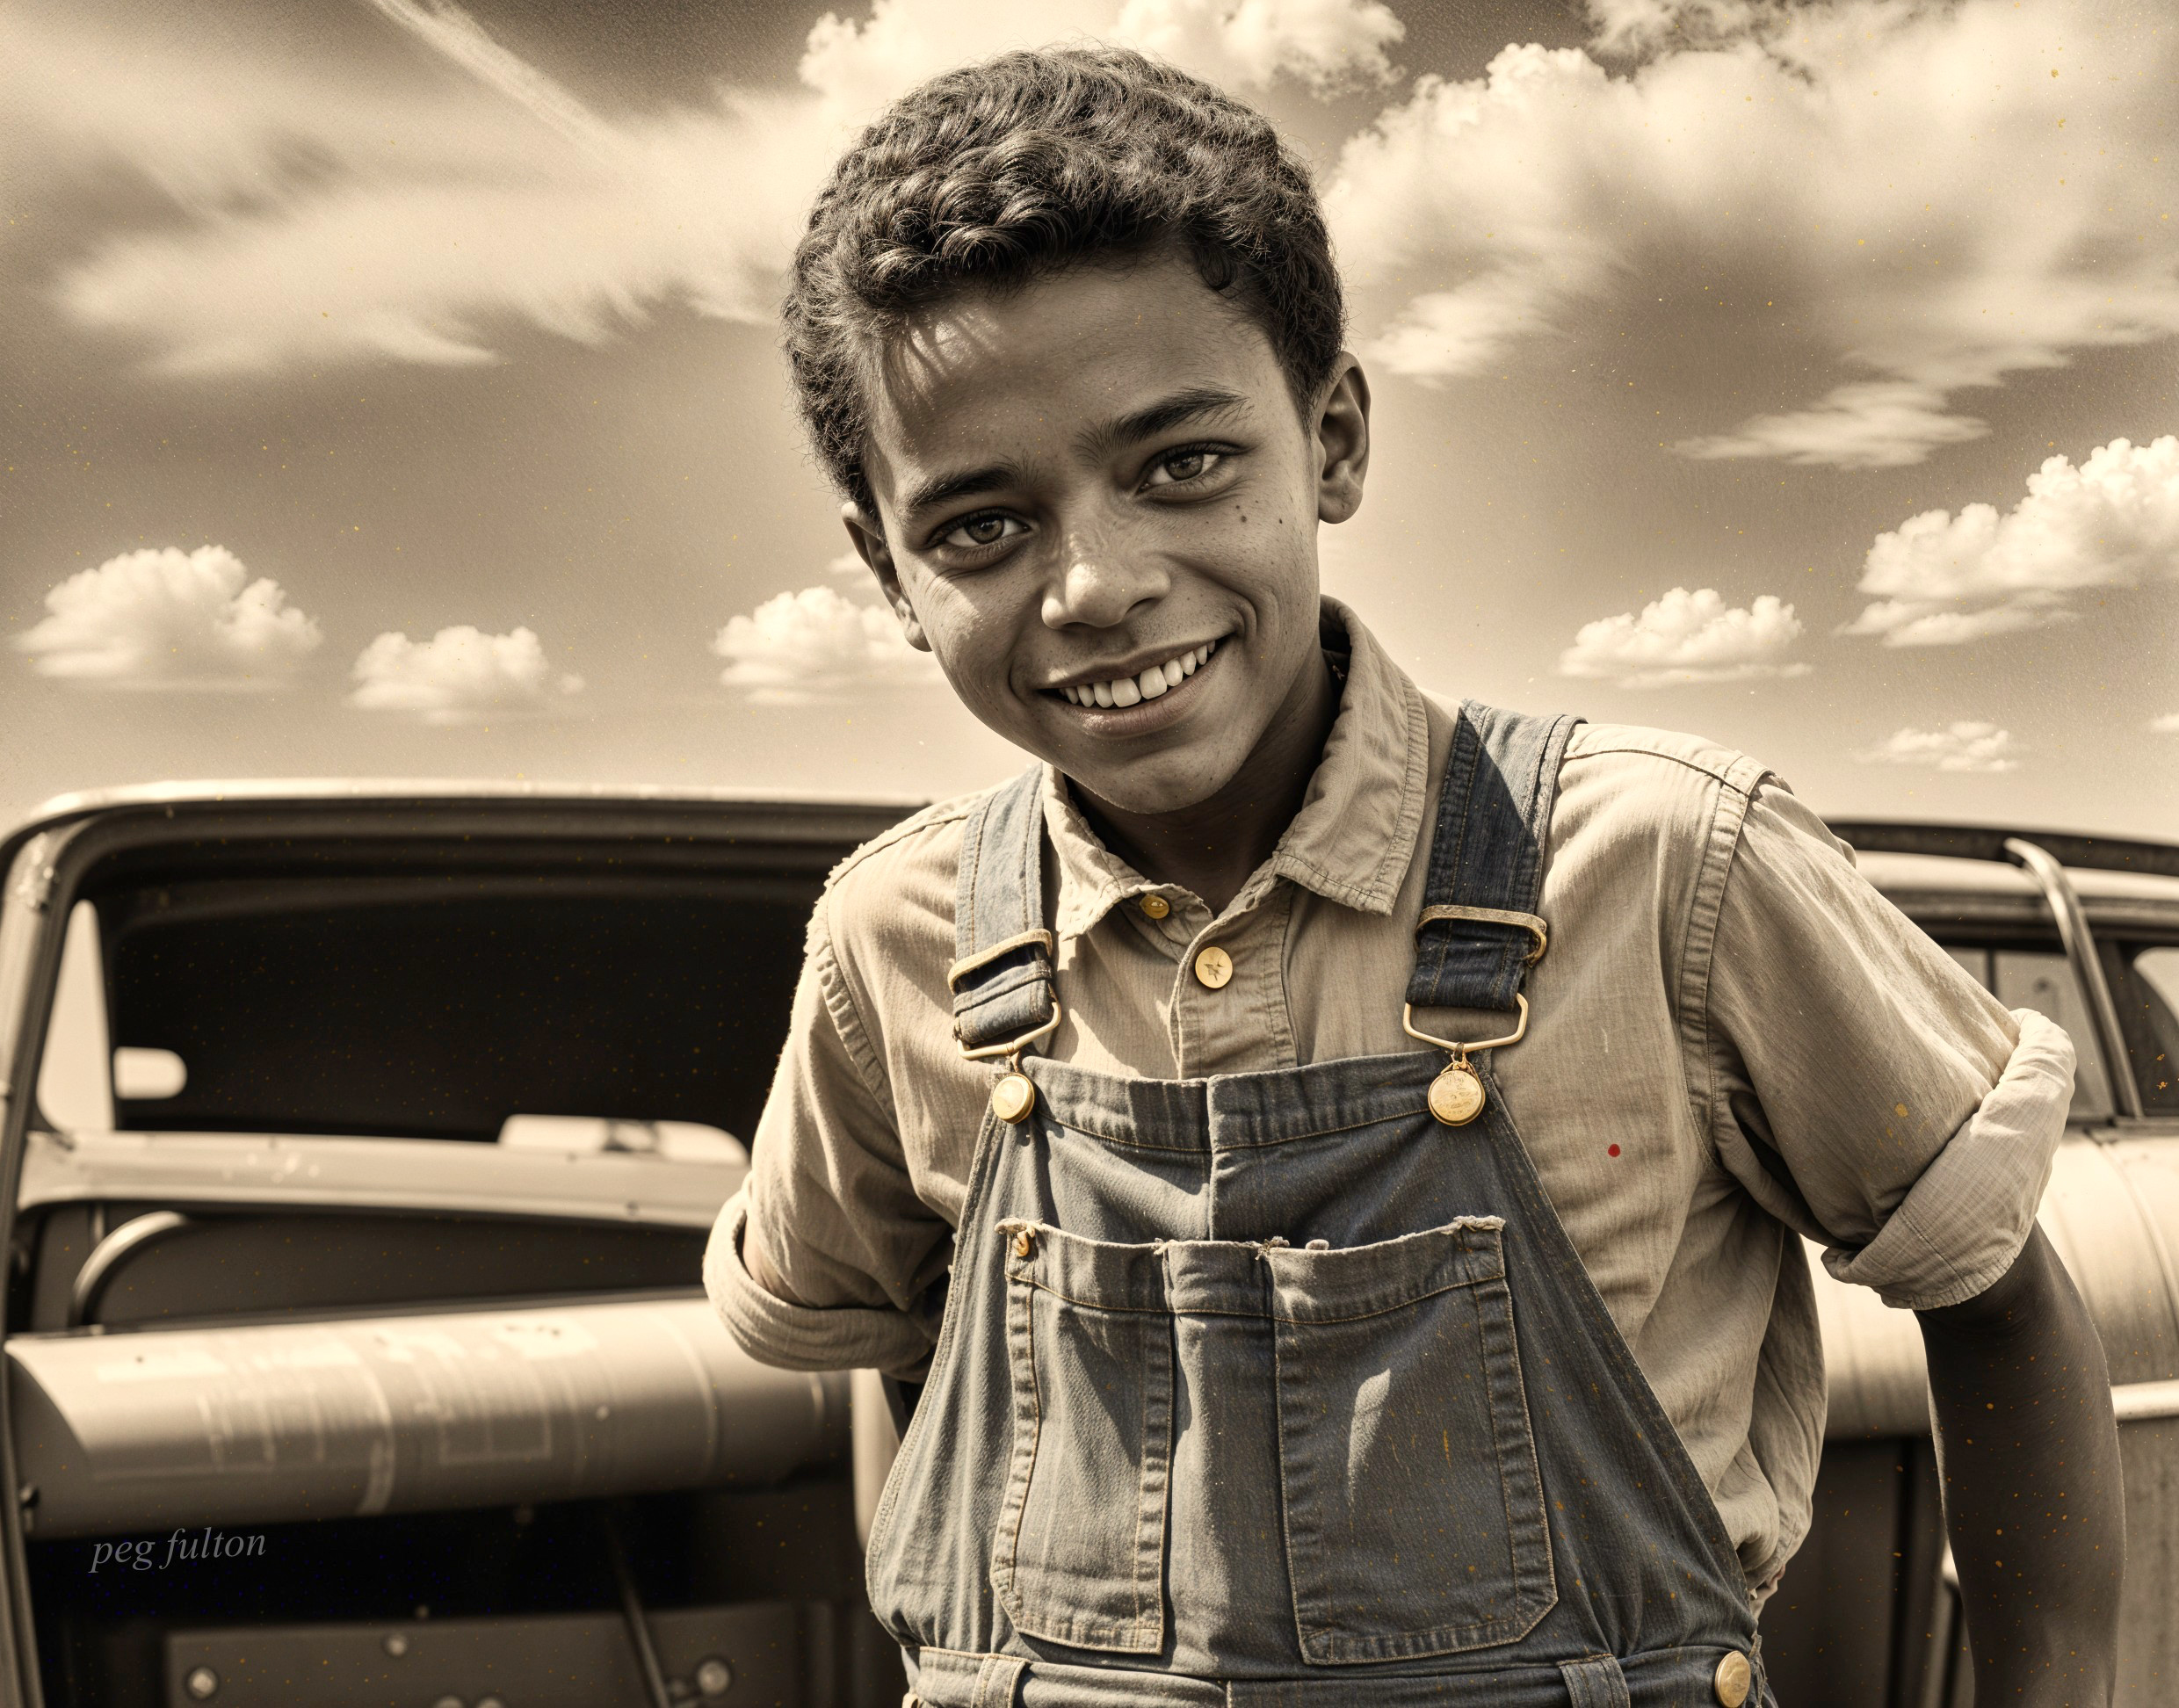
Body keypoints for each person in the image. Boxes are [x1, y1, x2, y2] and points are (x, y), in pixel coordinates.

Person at [704, 45, 2123, 1708]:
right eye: (978, 528)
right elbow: (909, 1365)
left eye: (1182, 464)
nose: (1095, 584)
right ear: (888, 571)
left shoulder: (1666, 867)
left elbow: (1996, 1296)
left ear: (1333, 438)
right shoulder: (896, 944)